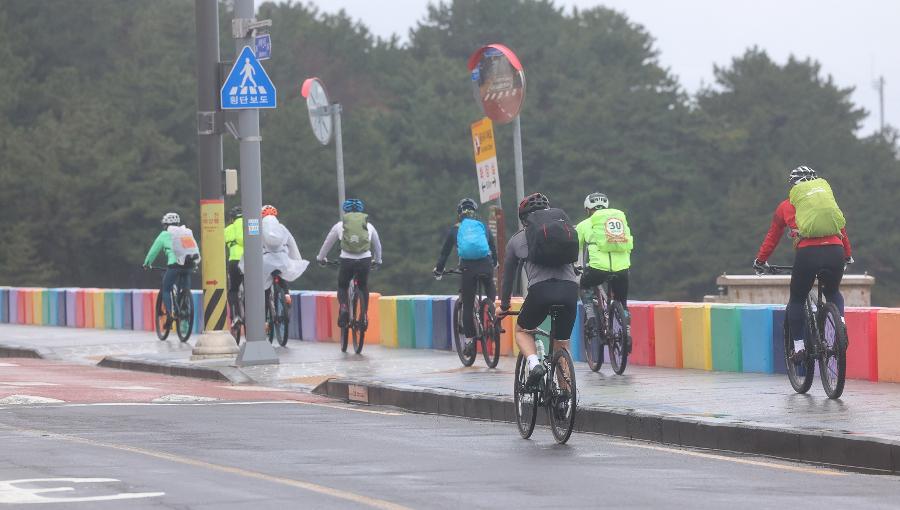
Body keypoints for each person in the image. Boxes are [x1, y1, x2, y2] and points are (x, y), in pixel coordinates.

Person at [753, 165, 853, 360]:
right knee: (832, 291)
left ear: (793, 186)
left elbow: (773, 236)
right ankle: (840, 323)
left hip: (808, 253)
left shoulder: (786, 206)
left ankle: (799, 348)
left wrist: (761, 260)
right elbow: (842, 230)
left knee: (797, 298)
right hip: (835, 251)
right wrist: (847, 255)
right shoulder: (827, 204)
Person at [500, 193, 579, 387]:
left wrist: (503, 305)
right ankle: (565, 399)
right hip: (569, 291)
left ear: (523, 218)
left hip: (541, 292)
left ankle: (535, 364)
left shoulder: (517, 240)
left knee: (522, 330)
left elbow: (508, 277)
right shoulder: (564, 231)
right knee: (562, 343)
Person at [433, 198, 499, 357]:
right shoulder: (482, 226)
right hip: (486, 265)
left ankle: (470, 341)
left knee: (468, 304)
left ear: (459, 214)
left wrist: (439, 271)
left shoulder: (455, 230)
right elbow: (493, 247)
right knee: (490, 291)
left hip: (468, 268)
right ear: (475, 212)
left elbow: (444, 253)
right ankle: (492, 317)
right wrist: (494, 263)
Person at [575, 192, 634, 347]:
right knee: (622, 302)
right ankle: (627, 331)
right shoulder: (618, 223)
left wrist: (575, 266)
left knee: (585, 285)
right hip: (622, 268)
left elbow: (576, 248)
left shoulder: (585, 224)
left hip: (597, 268)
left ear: (588, 209)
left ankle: (591, 315)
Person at [316, 199, 383, 330]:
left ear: (345, 211)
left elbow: (327, 243)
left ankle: (344, 307)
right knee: (363, 286)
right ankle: (363, 316)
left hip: (346, 260)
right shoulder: (369, 226)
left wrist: (321, 258)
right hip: (365, 259)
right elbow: (377, 245)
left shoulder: (340, 225)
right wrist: (378, 260)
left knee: (342, 285)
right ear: (361, 211)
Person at [143, 212, 201, 322]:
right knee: (185, 288)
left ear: (165, 225)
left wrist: (147, 264)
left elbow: (153, 251)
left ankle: (171, 313)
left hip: (174, 265)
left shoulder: (164, 234)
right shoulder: (185, 233)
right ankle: (184, 304)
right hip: (189, 264)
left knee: (166, 288)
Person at [250, 205, 308, 302]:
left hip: (266, 261)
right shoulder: (282, 228)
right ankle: (286, 294)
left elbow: (254, 246)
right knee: (281, 275)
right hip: (282, 260)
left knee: (265, 285)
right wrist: (296, 260)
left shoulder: (258, 228)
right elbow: (292, 244)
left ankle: (265, 306)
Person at [224, 206, 244, 324]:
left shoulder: (227, 229)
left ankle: (236, 315)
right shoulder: (248, 225)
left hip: (234, 261)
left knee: (233, 289)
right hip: (249, 261)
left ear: (232, 219)